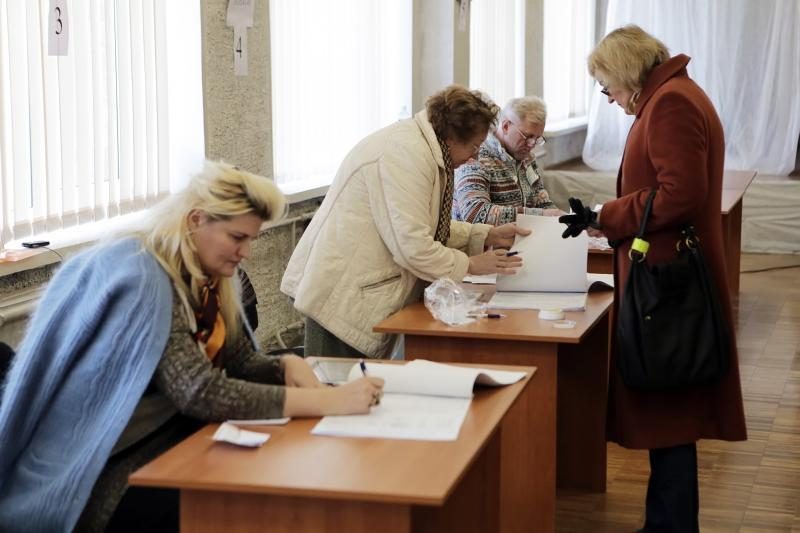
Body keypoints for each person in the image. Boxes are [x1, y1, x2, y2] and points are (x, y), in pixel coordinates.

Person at [0, 161, 384, 533]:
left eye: (252, 239)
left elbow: (237, 362)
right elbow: (199, 391)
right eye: (238, 237)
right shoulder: (144, 276)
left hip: (163, 439)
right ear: (196, 220)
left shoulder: (207, 273)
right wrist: (330, 402)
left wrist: (284, 366)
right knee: (246, 500)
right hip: (96, 470)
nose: (245, 252)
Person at [559, 25, 747, 532]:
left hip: (667, 287)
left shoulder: (671, 103)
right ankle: (666, 523)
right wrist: (605, 216)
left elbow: (679, 192)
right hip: (667, 280)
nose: (611, 99)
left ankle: (670, 527)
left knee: (670, 415)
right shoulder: (674, 94)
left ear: (624, 74)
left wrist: (610, 213)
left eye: (607, 87)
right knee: (671, 418)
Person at [281, 85, 530, 359]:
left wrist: (485, 236)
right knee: (336, 393)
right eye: (473, 146)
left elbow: (427, 224)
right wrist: (470, 264)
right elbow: (413, 244)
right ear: (451, 136)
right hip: (341, 296)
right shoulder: (405, 154)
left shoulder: (424, 148)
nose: (474, 157)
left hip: (360, 289)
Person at [452, 96, 562, 225]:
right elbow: (475, 213)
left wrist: (563, 219)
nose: (532, 144)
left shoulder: (527, 158)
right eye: (527, 136)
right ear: (505, 126)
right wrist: (538, 215)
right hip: (481, 244)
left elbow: (542, 202)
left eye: (537, 138)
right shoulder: (476, 156)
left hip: (520, 239)